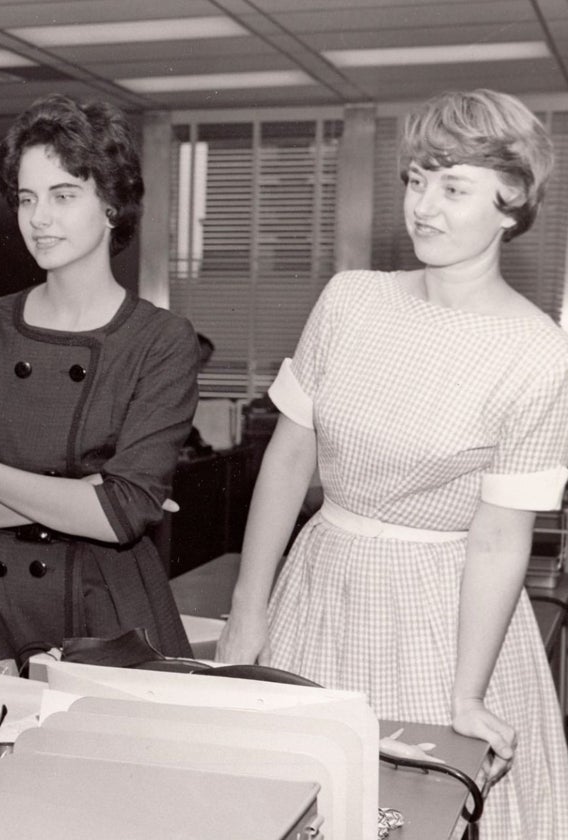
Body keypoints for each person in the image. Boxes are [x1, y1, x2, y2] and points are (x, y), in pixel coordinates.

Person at [217, 89, 568, 838]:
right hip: (317, 591)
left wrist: (467, 696)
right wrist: (249, 610)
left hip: (443, 620)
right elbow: (288, 459)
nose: (424, 206)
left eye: (453, 186)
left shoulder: (538, 352)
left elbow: (500, 538)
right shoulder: (350, 300)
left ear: (512, 202)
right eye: (416, 180)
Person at [0, 94, 200, 689]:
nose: (38, 218)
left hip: (105, 624)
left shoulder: (160, 340)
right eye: (27, 198)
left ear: (113, 205)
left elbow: (123, 513)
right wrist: (80, 497)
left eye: (63, 195)